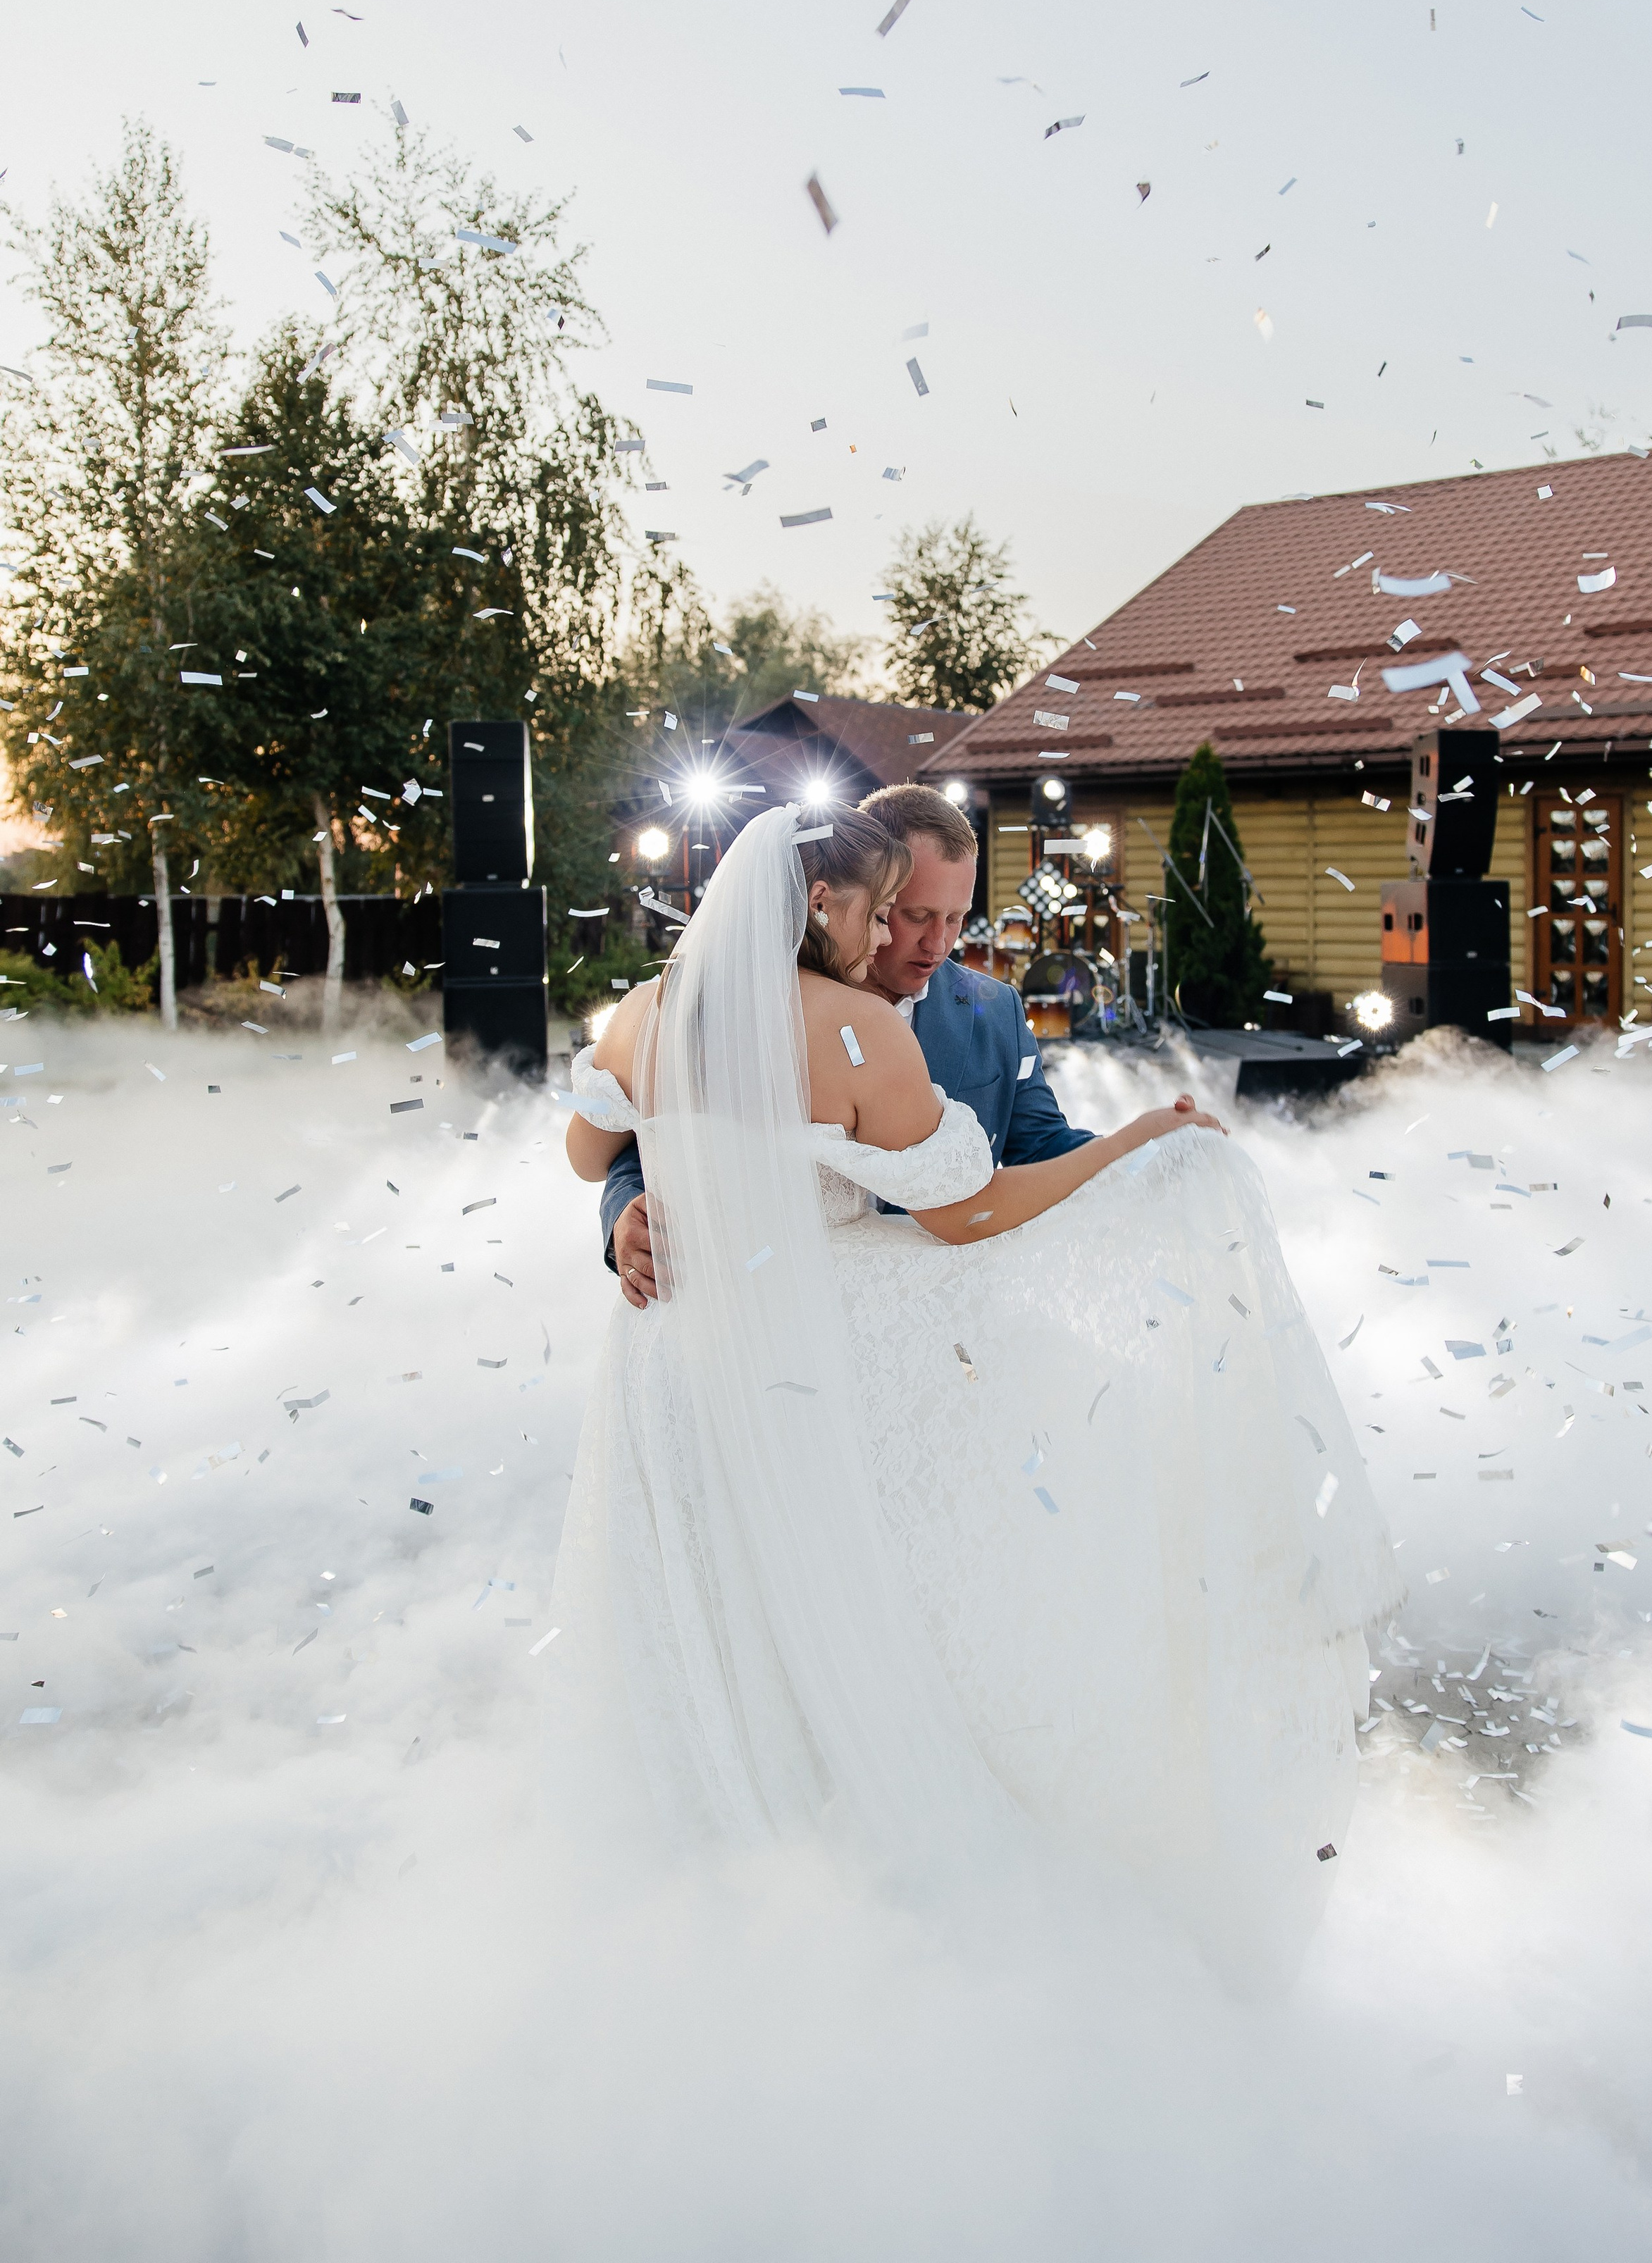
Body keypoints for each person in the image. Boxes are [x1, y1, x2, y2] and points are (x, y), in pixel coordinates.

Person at [554, 801, 1398, 1981]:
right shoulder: (856, 1027)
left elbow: (590, 1145)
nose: (919, 939)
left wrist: (686, 1177)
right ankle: (846, 1896)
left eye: (952, 916)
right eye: (896, 913)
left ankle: (745, 1893)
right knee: (815, 1612)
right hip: (820, 1357)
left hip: (669, 1364)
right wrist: (1145, 1144)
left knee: (724, 1614)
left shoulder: (655, 1008)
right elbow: (972, 1211)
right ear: (829, 901)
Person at [599, 783, 1091, 1308]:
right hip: (771, 1310)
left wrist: (1138, 1155)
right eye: (914, 915)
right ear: (863, 887)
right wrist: (625, 1213)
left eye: (957, 918)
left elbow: (1043, 1146)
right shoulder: (736, 1006)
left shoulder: (997, 1009)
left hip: (952, 1317)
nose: (940, 943)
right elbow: (645, 1137)